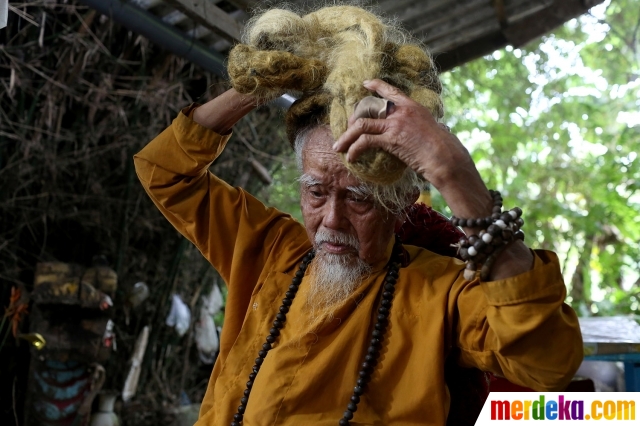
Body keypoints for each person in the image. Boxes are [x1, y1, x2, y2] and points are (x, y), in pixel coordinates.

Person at [134, 5, 583, 425]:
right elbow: (165, 172)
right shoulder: (272, 250)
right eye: (315, 192)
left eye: (359, 199)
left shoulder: (439, 293)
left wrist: (453, 173)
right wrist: (257, 87)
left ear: (404, 202)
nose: (330, 220)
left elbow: (547, 364)